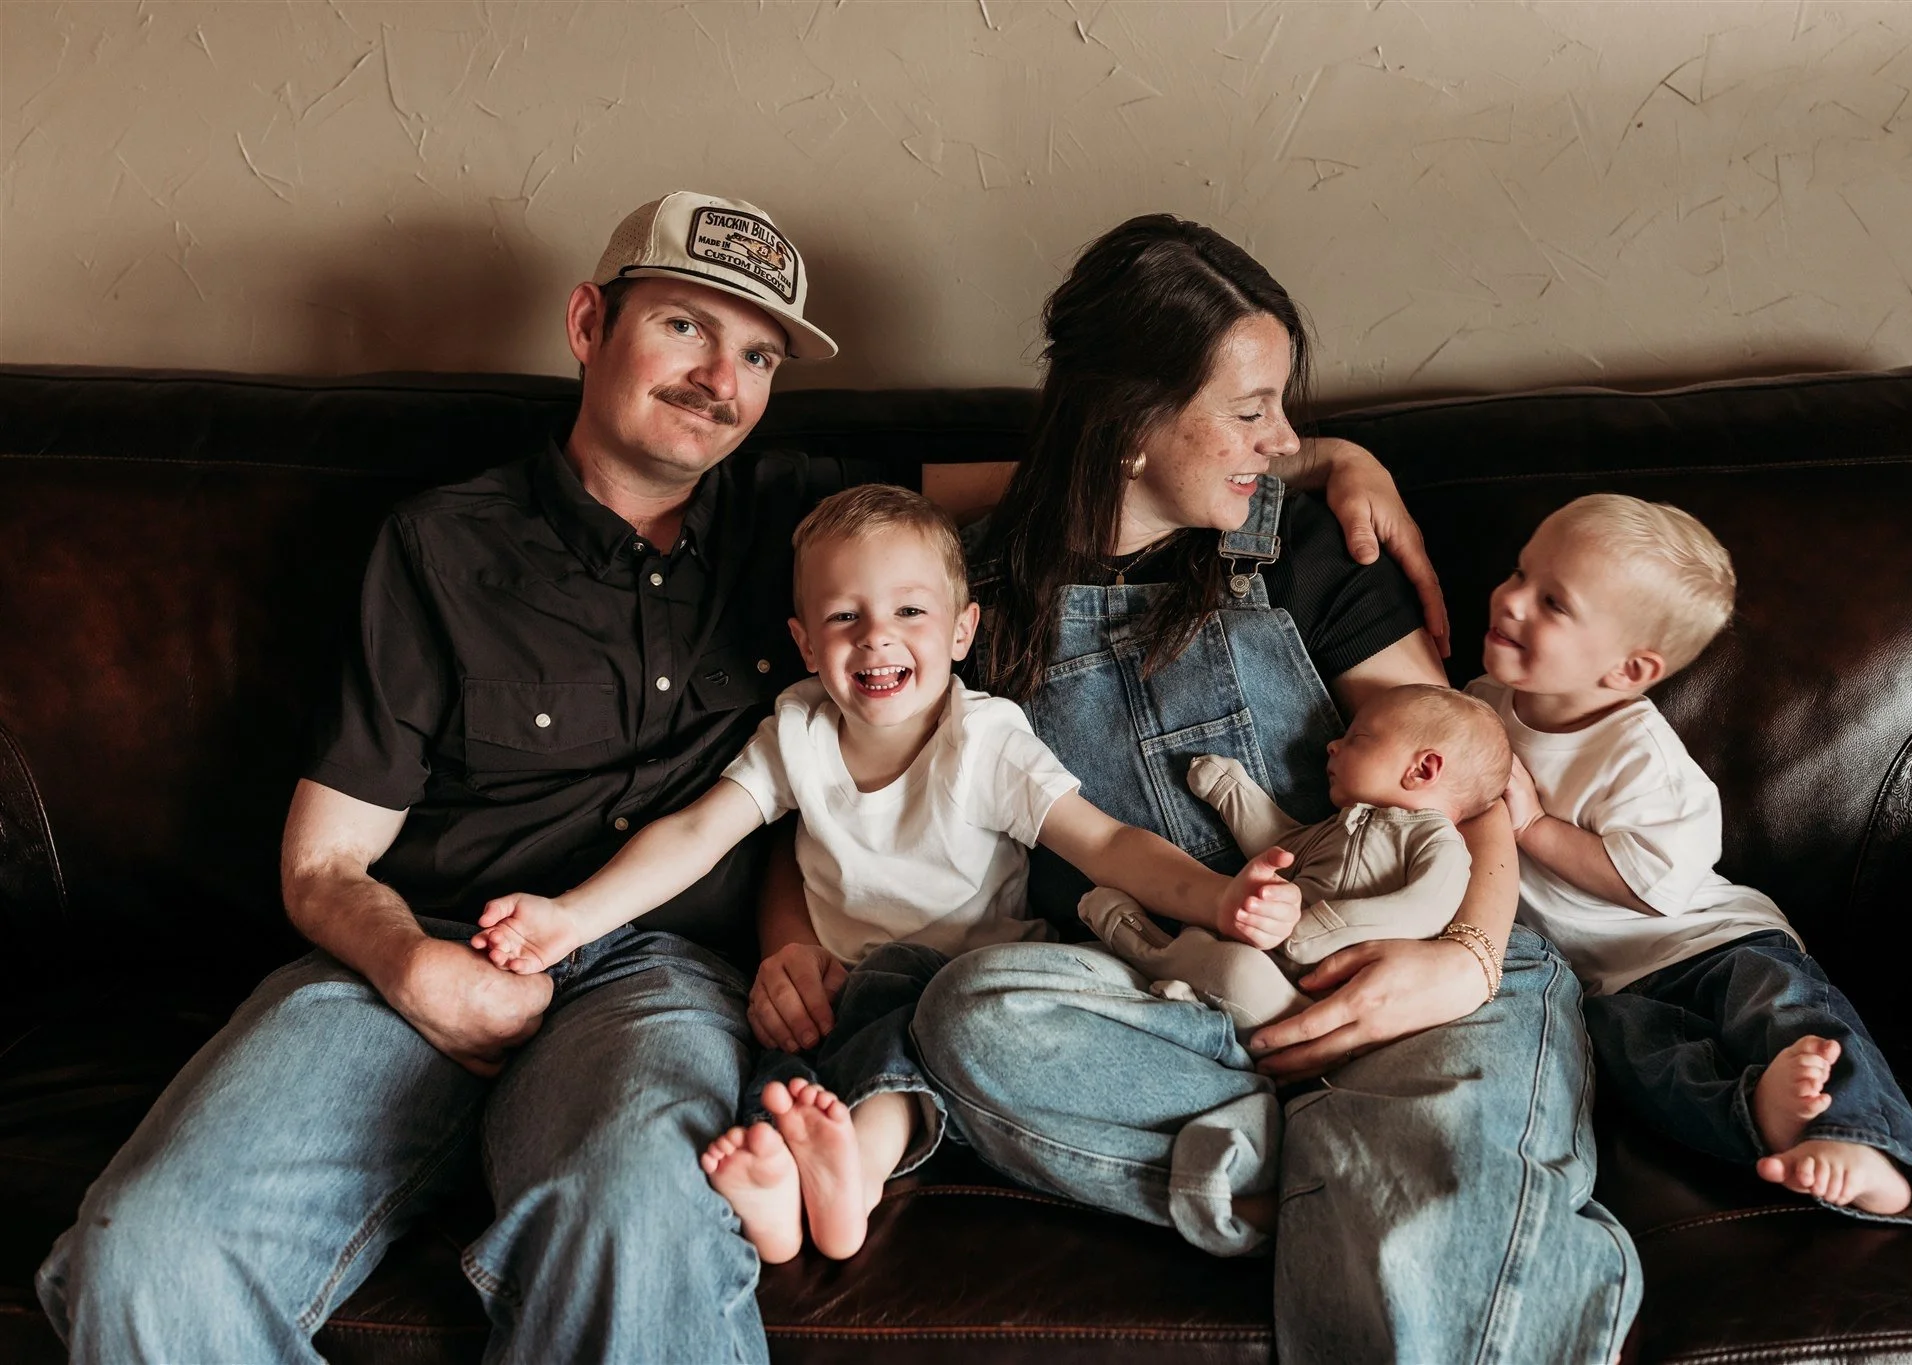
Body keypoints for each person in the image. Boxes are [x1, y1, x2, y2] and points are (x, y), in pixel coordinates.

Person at [34, 190, 1425, 1363]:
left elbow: (1093, 465)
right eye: (683, 325)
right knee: (142, 1253)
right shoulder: (440, 545)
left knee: (639, 1216)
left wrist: (1311, 455)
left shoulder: (806, 522)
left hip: (652, 982)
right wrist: (418, 969)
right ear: (589, 326)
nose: (718, 378)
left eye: (756, 355)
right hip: (412, 957)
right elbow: (323, 864)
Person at [911, 214, 1642, 1364]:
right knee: (966, 1015)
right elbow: (792, 492)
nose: (1286, 437)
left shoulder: (1298, 546)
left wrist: (1465, 958)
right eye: (1251, 411)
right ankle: (1348, 1172)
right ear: (1128, 422)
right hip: (1176, 1002)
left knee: (1426, 1204)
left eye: (1284, 408)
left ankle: (1329, 1173)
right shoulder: (954, 587)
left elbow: (1474, 780)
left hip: (1408, 962)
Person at [472, 483, 1300, 1265]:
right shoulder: (796, 729)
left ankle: (844, 1182)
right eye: (844, 615)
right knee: (798, 1077)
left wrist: (1222, 896)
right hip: (853, 1014)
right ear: (803, 641)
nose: (876, 635)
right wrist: (572, 918)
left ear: (961, 631)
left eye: (910, 609)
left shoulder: (983, 742)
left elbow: (1109, 843)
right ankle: (802, 1189)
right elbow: (695, 831)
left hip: (974, 995)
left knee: (904, 1000)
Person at [1472, 492, 1912, 1222]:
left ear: (1628, 670)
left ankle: (1869, 1143)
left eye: (1552, 602)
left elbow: (1652, 882)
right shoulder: (1484, 704)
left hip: (1708, 943)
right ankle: (1757, 1113)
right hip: (1602, 984)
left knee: (1792, 1015)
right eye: (1517, 573)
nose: (1509, 602)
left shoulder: (1639, 755)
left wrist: (1535, 828)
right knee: (1634, 1062)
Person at [1078, 682, 1510, 1032]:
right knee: (1229, 963)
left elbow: (1426, 907)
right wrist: (1233, 792)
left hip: (1318, 998)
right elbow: (1280, 847)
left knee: (1238, 973)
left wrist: (1328, 926)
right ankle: (1197, 1011)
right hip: (1269, 950)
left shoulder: (1438, 842)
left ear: (1423, 770)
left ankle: (1136, 940)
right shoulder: (1337, 825)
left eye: (1358, 737)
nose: (1332, 746)